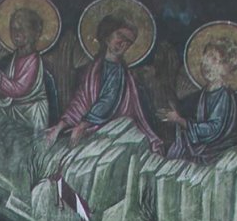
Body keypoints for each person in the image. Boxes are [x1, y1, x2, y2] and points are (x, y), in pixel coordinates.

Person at [46, 13, 163, 153]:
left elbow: (107, 101)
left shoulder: (118, 71)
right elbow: (81, 100)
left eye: (128, 42)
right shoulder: (95, 67)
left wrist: (82, 125)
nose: (122, 43)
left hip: (112, 127)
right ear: (108, 35)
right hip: (92, 125)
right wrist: (60, 126)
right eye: (120, 35)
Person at [161, 39, 237, 163]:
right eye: (205, 58)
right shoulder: (205, 92)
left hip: (215, 149)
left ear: (226, 67)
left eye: (213, 59)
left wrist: (180, 120)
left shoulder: (224, 95)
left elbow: (214, 129)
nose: (206, 63)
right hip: (203, 145)